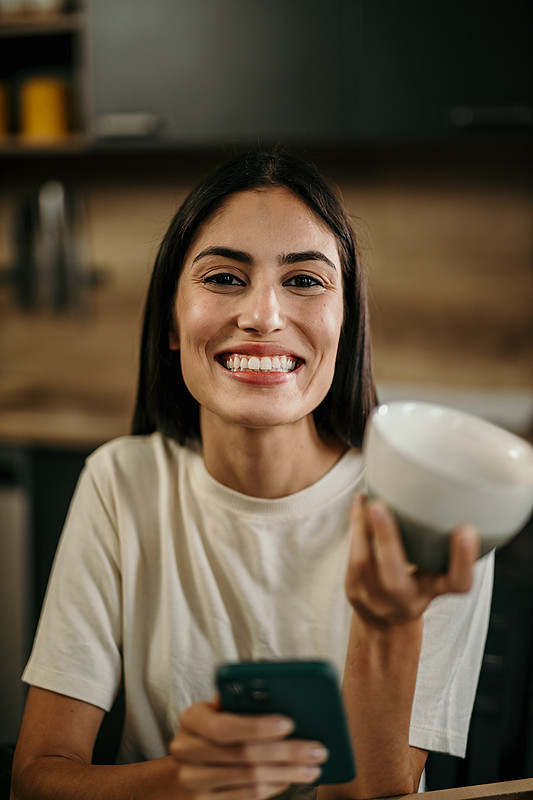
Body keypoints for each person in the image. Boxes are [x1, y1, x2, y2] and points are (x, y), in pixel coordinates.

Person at [10, 150, 494, 800]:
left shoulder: (424, 512)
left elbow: (378, 795)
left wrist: (388, 627)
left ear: (345, 325)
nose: (263, 315)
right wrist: (183, 782)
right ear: (172, 323)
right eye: (224, 277)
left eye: (304, 281)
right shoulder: (120, 483)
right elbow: (35, 778)